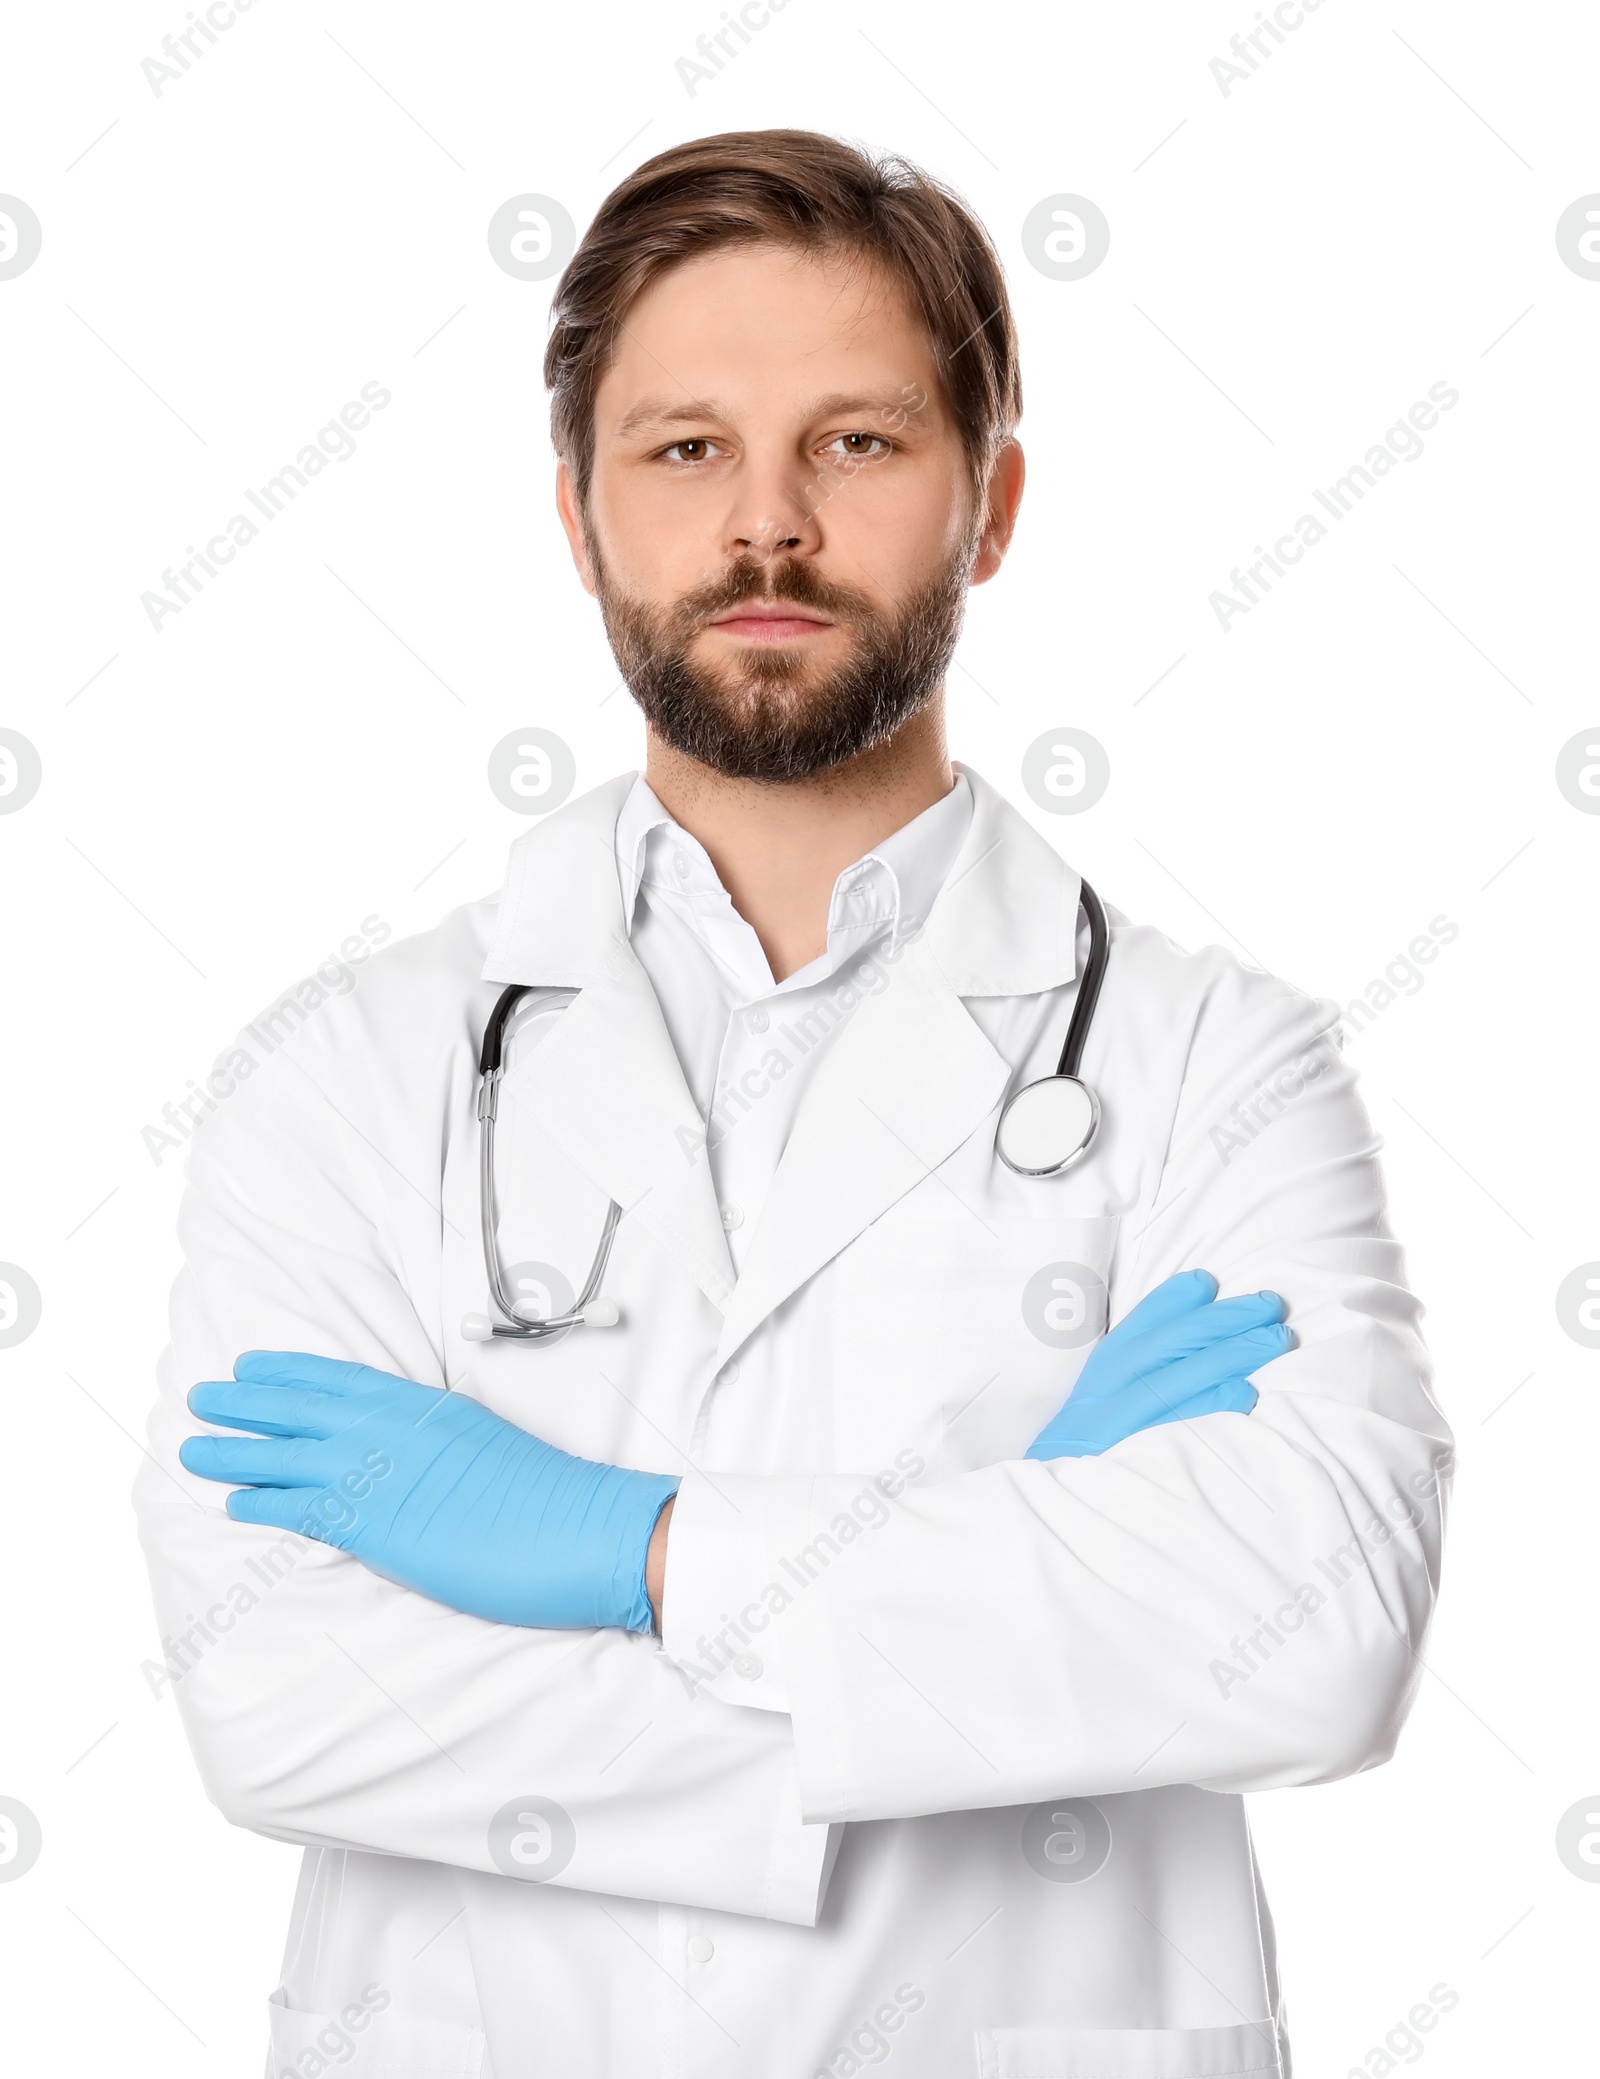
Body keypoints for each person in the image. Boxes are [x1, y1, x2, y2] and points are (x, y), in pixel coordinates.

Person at [136, 130, 1451, 2079]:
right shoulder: (342, 1076)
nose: (765, 525)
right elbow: (278, 1694)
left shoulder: (1212, 1063)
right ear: (578, 519)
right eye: (683, 449)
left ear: (988, 503)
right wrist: (1007, 1569)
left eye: (854, 443)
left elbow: (1315, 1623)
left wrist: (641, 1548)